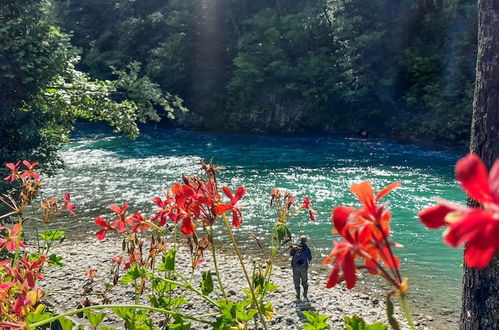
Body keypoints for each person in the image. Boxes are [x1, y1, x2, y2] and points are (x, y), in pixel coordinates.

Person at [290, 235, 312, 301]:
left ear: (300, 240)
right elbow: (310, 258)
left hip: (295, 267)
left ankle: (298, 295)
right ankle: (305, 294)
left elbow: (291, 254)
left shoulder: (295, 247)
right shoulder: (307, 248)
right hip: (303, 267)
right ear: (306, 241)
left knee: (296, 281)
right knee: (304, 281)